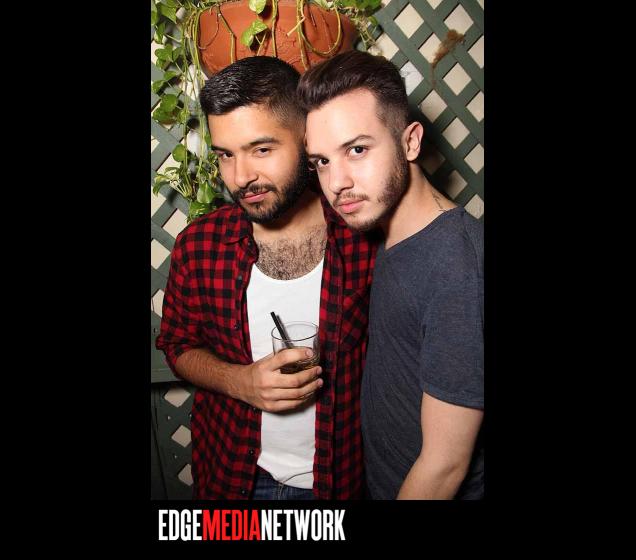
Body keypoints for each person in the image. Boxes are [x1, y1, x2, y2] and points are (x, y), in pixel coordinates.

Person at [155, 56, 376, 500]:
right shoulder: (199, 246)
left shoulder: (364, 241)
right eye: (225, 154)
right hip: (234, 480)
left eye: (261, 150)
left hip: (340, 482)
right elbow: (178, 346)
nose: (241, 178)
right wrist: (241, 382)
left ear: (306, 139)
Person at [297, 50, 484, 499]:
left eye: (357, 150)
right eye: (321, 161)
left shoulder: (458, 265)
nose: (337, 182)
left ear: (411, 142)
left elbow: (444, 466)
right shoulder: (383, 227)